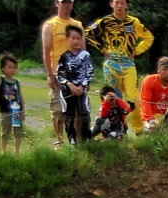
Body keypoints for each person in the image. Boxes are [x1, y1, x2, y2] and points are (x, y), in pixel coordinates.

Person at [84, 0, 153, 135]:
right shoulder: (104, 21)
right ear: (111, 4)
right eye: (117, 3)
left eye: (122, 3)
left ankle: (139, 131)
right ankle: (117, 129)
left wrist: (137, 50)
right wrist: (102, 48)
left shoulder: (134, 22)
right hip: (111, 64)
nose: (120, 6)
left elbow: (149, 37)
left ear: (127, 5)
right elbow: (87, 33)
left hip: (128, 65)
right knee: (113, 98)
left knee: (133, 98)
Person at [40, 0, 83, 149]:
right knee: (58, 110)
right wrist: (50, 75)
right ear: (57, 4)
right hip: (59, 74)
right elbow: (46, 52)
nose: (67, 5)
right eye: (63, 2)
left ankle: (76, 141)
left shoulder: (77, 25)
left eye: (70, 2)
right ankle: (58, 140)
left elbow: (83, 52)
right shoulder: (50, 26)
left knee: (77, 110)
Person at [56, 25, 93, 143]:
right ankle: (72, 140)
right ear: (68, 39)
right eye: (73, 38)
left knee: (85, 114)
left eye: (78, 38)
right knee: (69, 115)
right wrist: (69, 84)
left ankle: (86, 138)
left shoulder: (86, 55)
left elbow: (90, 72)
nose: (76, 41)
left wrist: (82, 86)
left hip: (82, 90)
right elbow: (59, 74)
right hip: (68, 90)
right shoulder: (64, 56)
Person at [0, 53, 24, 155]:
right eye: (9, 67)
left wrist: (23, 111)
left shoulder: (17, 82)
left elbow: (21, 97)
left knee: (18, 131)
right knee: (5, 131)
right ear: (3, 68)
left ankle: (17, 151)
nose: (12, 70)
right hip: (5, 111)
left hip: (17, 111)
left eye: (14, 67)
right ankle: (3, 152)